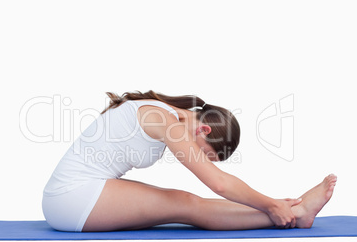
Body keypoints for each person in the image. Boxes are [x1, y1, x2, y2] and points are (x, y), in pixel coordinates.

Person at [42, 90, 337, 232]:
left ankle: (293, 211)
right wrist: (270, 204)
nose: (201, 159)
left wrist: (270, 200)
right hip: (71, 199)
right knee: (186, 204)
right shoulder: (164, 119)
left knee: (188, 201)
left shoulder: (165, 113)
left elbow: (217, 183)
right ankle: (292, 216)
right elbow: (219, 183)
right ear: (204, 130)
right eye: (207, 153)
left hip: (79, 194)